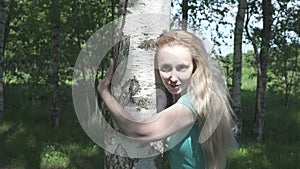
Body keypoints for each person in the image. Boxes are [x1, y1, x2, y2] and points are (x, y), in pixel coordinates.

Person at [98, 29, 237, 169]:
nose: (173, 77)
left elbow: (136, 131)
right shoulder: (197, 99)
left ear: (195, 67)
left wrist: (104, 92)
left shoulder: (190, 104)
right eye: (166, 68)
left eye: (182, 68)